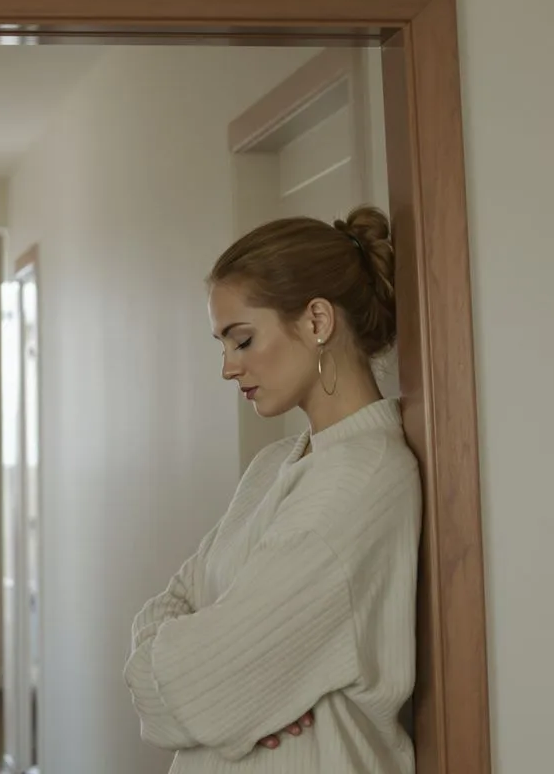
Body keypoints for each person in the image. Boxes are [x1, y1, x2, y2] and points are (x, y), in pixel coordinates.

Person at [122, 206, 421, 773]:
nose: (227, 368)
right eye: (223, 345)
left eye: (242, 340)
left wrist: (211, 684)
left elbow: (195, 692)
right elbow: (172, 601)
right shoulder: (274, 464)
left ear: (316, 321)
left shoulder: (363, 481)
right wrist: (237, 691)